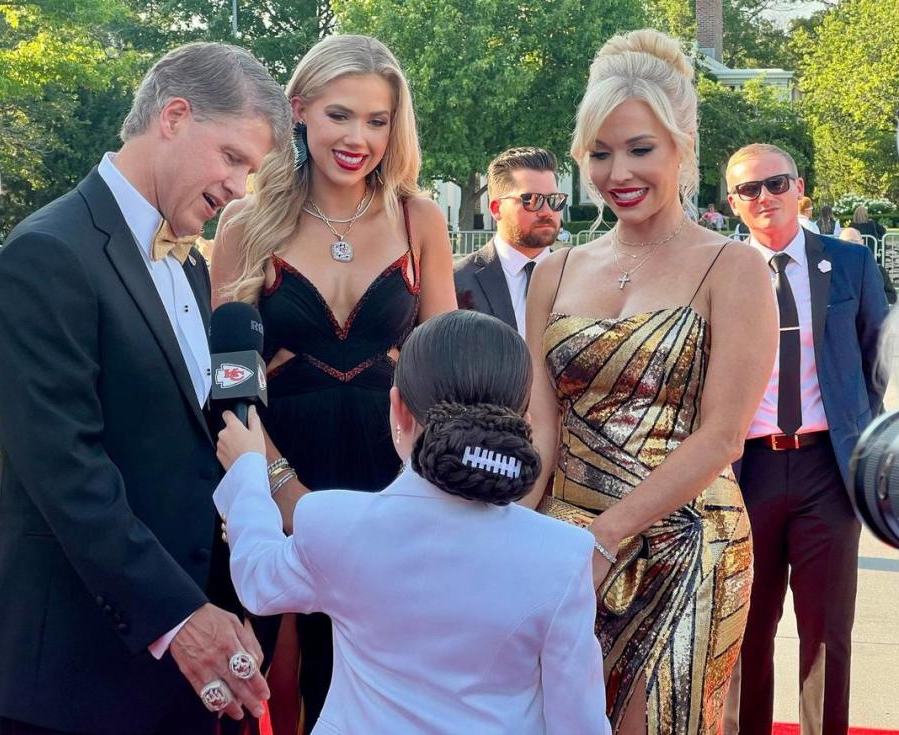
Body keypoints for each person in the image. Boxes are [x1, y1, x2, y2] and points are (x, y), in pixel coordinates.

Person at [0, 43, 291, 734]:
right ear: (173, 116)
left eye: (251, 172)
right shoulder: (47, 254)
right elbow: (66, 472)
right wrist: (179, 617)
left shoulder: (193, 268)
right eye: (233, 158)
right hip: (75, 673)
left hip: (185, 665)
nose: (239, 187)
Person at [523, 29, 777, 734]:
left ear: (682, 146)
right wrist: (506, 530)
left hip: (690, 547)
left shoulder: (734, 268)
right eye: (599, 153)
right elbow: (541, 429)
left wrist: (603, 540)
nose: (617, 172)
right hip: (565, 543)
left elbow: (723, 437)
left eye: (639, 148)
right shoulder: (556, 270)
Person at [209, 34, 456, 733]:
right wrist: (280, 486)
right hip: (271, 465)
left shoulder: (419, 219)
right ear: (300, 110)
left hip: (387, 479)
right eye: (340, 115)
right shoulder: (245, 222)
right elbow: (228, 379)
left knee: (365, 675)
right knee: (271, 672)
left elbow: (446, 371)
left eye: (378, 121)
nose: (359, 138)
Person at [213, 309, 611, 735]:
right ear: (524, 425)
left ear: (398, 410)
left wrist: (249, 470)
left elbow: (258, 579)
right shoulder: (562, 554)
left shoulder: (334, 523)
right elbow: (579, 723)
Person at [724, 144, 888, 735]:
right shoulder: (718, 270)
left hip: (828, 468)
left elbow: (875, 358)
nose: (764, 197)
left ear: (800, 189)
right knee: (744, 628)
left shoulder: (850, 264)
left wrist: (857, 433)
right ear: (733, 203)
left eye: (776, 183)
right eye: (749, 189)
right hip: (747, 470)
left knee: (827, 632)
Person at [453, 147, 566, 337]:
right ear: (496, 208)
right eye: (531, 200)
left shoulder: (576, 276)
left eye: (554, 200)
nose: (547, 211)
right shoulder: (457, 281)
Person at [842, 226, 896, 304]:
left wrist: (871, 297)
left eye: (854, 241)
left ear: (862, 242)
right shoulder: (833, 271)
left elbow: (892, 297)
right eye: (846, 242)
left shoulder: (878, 269)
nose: (851, 245)